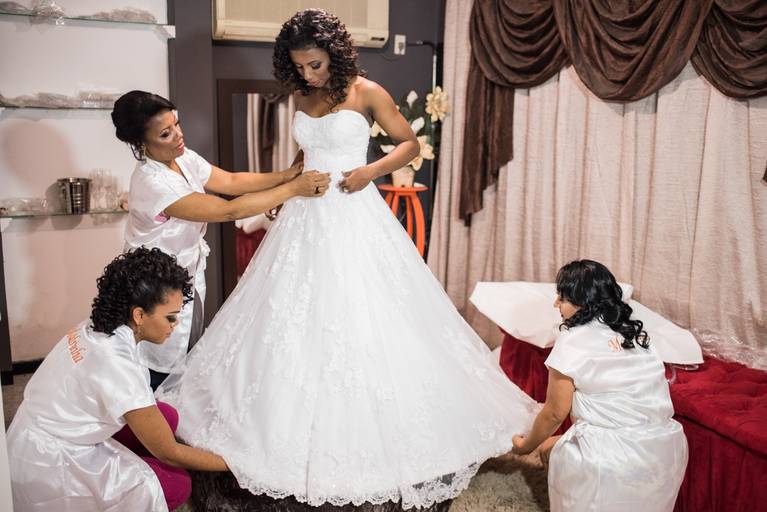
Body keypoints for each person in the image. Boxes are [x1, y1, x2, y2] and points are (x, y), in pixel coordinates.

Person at [156, 8, 540, 509]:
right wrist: (285, 190)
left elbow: (409, 145)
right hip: (304, 214)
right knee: (288, 315)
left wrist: (369, 172)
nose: (308, 74)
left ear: (334, 54)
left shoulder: (367, 92)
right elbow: (303, 160)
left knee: (365, 311)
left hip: (355, 211)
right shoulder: (301, 95)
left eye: (315, 64)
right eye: (299, 66)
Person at [111, 91, 331, 388]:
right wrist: (293, 189)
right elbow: (229, 210)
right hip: (153, 285)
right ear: (141, 144)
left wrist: (286, 175)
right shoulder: (153, 183)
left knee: (183, 350)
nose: (178, 135)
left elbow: (230, 181)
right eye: (165, 133)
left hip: (184, 272)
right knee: (157, 362)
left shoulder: (182, 158)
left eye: (176, 124)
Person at [6, 247, 230, 512]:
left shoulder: (96, 325)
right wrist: (231, 464)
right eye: (170, 317)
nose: (176, 324)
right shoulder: (117, 364)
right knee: (176, 484)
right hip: (50, 459)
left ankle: (133, 459)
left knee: (166, 416)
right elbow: (169, 452)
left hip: (35, 428)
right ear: (139, 315)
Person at [511, 260, 689, 512]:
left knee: (547, 450)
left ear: (583, 302)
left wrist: (525, 446)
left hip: (611, 455)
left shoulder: (572, 341)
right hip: (666, 449)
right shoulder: (636, 334)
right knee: (557, 447)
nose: (556, 304)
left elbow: (554, 413)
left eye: (562, 298)